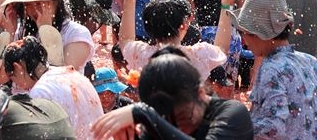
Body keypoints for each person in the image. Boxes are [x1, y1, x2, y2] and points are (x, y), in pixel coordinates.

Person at [91, 50, 253, 140]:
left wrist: (144, 113)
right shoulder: (158, 119)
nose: (179, 126)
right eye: (166, 119)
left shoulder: (233, 114)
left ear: (201, 92)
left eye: (183, 117)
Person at [119, 0, 236, 81]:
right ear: (185, 24)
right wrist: (226, 5)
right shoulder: (198, 56)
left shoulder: (142, 55)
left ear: (147, 26)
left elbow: (125, 40)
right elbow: (222, 48)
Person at [230, 0, 317, 139]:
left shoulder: (271, 69)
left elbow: (272, 128)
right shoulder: (309, 61)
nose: (244, 40)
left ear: (258, 34)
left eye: (243, 32)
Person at [2, 0, 95, 73]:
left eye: (39, 3)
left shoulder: (77, 33)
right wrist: (10, 35)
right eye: (28, 5)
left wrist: (47, 31)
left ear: (56, 1)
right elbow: (3, 77)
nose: (34, 10)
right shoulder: (22, 32)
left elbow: (61, 76)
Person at [2, 36, 104, 140]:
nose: (16, 84)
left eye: (12, 77)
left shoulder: (41, 92)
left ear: (18, 68)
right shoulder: (70, 73)